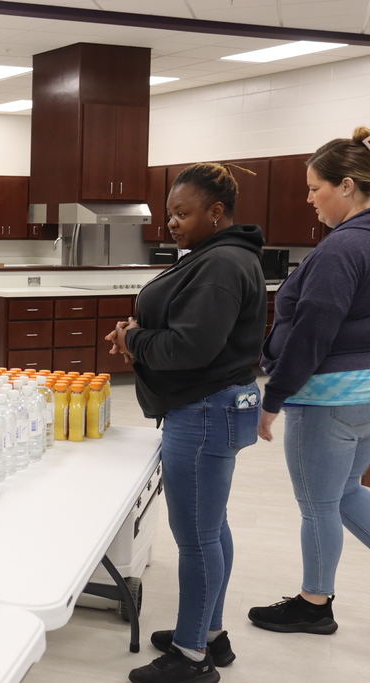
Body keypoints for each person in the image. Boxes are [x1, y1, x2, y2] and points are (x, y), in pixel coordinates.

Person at [106, 163, 267, 683]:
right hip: (217, 405)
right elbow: (189, 334)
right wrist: (141, 334)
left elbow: (190, 347)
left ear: (216, 213)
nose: (171, 222)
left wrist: (134, 340)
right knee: (212, 526)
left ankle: (192, 656)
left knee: (196, 537)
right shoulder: (214, 256)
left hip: (203, 411)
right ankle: (210, 634)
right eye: (169, 213)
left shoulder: (220, 264)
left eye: (183, 213)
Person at [248, 127, 370, 635]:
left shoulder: (340, 250)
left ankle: (314, 604)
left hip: (328, 399)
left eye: (314, 187)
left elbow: (313, 329)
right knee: (343, 493)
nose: (309, 199)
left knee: (318, 504)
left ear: (346, 185)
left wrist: (273, 397)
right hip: (366, 397)